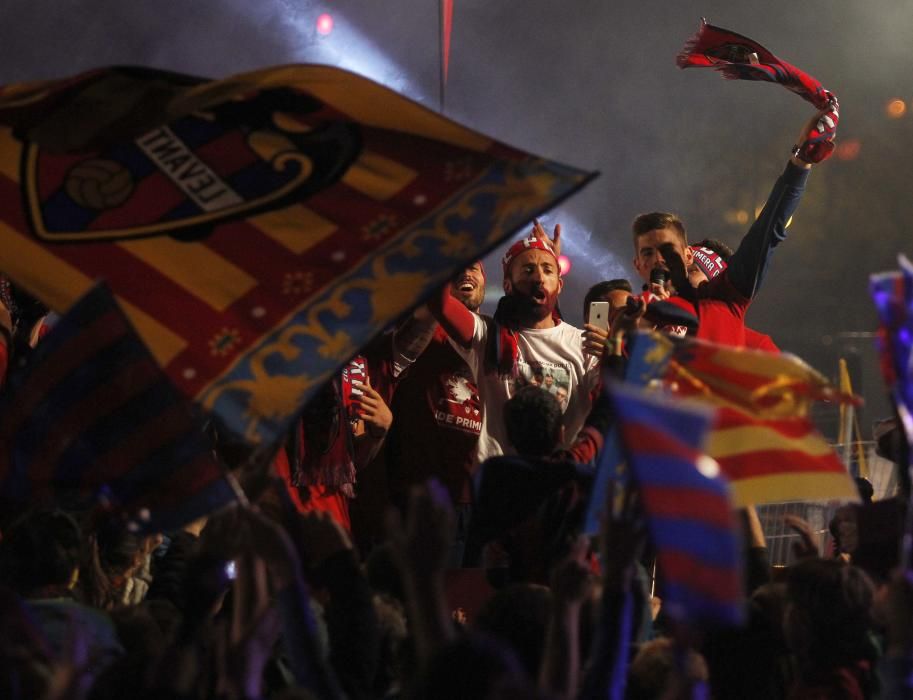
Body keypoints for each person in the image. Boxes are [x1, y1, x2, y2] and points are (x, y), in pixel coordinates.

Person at [629, 110, 829, 347]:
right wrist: (639, 333)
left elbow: (766, 232)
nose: (659, 259)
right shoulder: (628, 315)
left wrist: (800, 161)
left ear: (687, 256)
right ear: (638, 265)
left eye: (697, 273)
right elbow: (613, 380)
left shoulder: (729, 312)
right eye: (648, 253)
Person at [429, 228, 605, 468]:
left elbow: (612, 404)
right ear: (508, 285)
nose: (539, 278)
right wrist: (451, 237)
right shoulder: (488, 335)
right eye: (528, 270)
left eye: (548, 270)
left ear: (560, 285)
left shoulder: (584, 344)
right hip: (500, 484)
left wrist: (614, 355)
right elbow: (439, 302)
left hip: (559, 486)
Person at [385, 261, 487, 566]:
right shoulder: (420, 331)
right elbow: (401, 351)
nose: (465, 273)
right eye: (456, 267)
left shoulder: (494, 338)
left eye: (474, 268)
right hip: (421, 501)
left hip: (479, 502)